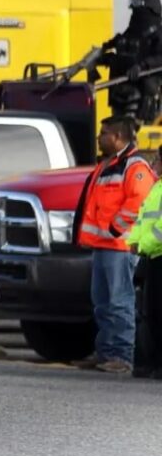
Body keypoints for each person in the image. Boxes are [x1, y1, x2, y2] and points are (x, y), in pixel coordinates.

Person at [76, 116, 157, 373]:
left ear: (118, 138)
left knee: (119, 301)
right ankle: (106, 352)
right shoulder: (109, 165)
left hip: (119, 247)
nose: (99, 137)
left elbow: (139, 200)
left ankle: (122, 357)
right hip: (103, 245)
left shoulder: (134, 166)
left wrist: (115, 228)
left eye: (104, 133)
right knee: (102, 301)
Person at [128, 146, 162, 378]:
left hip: (156, 254)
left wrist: (143, 244)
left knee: (158, 312)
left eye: (159, 158)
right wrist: (135, 241)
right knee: (152, 312)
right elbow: (144, 220)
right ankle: (153, 362)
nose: (155, 162)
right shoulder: (157, 187)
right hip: (152, 257)